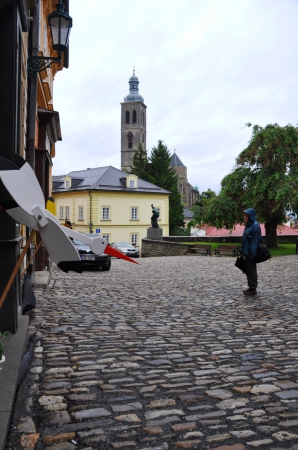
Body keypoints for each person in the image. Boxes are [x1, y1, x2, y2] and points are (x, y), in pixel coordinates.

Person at [242, 208, 262, 295]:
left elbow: (255, 241)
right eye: (244, 215)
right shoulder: (248, 225)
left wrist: (253, 254)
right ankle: (250, 287)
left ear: (251, 216)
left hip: (251, 253)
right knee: (248, 270)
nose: (245, 217)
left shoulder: (255, 226)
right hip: (246, 251)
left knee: (252, 270)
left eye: (246, 215)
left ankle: (253, 288)